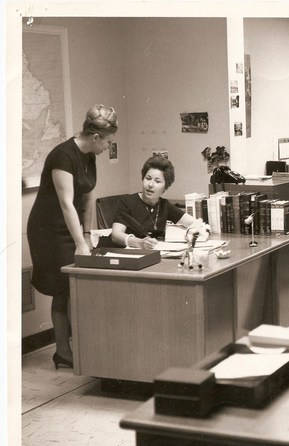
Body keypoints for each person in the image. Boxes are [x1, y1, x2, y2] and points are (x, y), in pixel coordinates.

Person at [27, 104, 118, 369]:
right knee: (64, 287)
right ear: (96, 137)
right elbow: (66, 204)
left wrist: (88, 235)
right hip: (50, 230)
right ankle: (64, 352)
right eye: (108, 141)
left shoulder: (90, 155)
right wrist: (79, 243)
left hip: (74, 226)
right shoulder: (62, 156)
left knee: (73, 287)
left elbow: (88, 196)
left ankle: (73, 349)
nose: (108, 147)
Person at [111, 154, 196, 249]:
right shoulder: (127, 202)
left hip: (154, 254)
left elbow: (195, 224)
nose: (150, 184)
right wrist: (139, 243)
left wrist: (202, 231)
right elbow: (116, 235)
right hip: (127, 256)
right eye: (148, 178)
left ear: (165, 187)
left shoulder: (164, 205)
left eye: (157, 181)